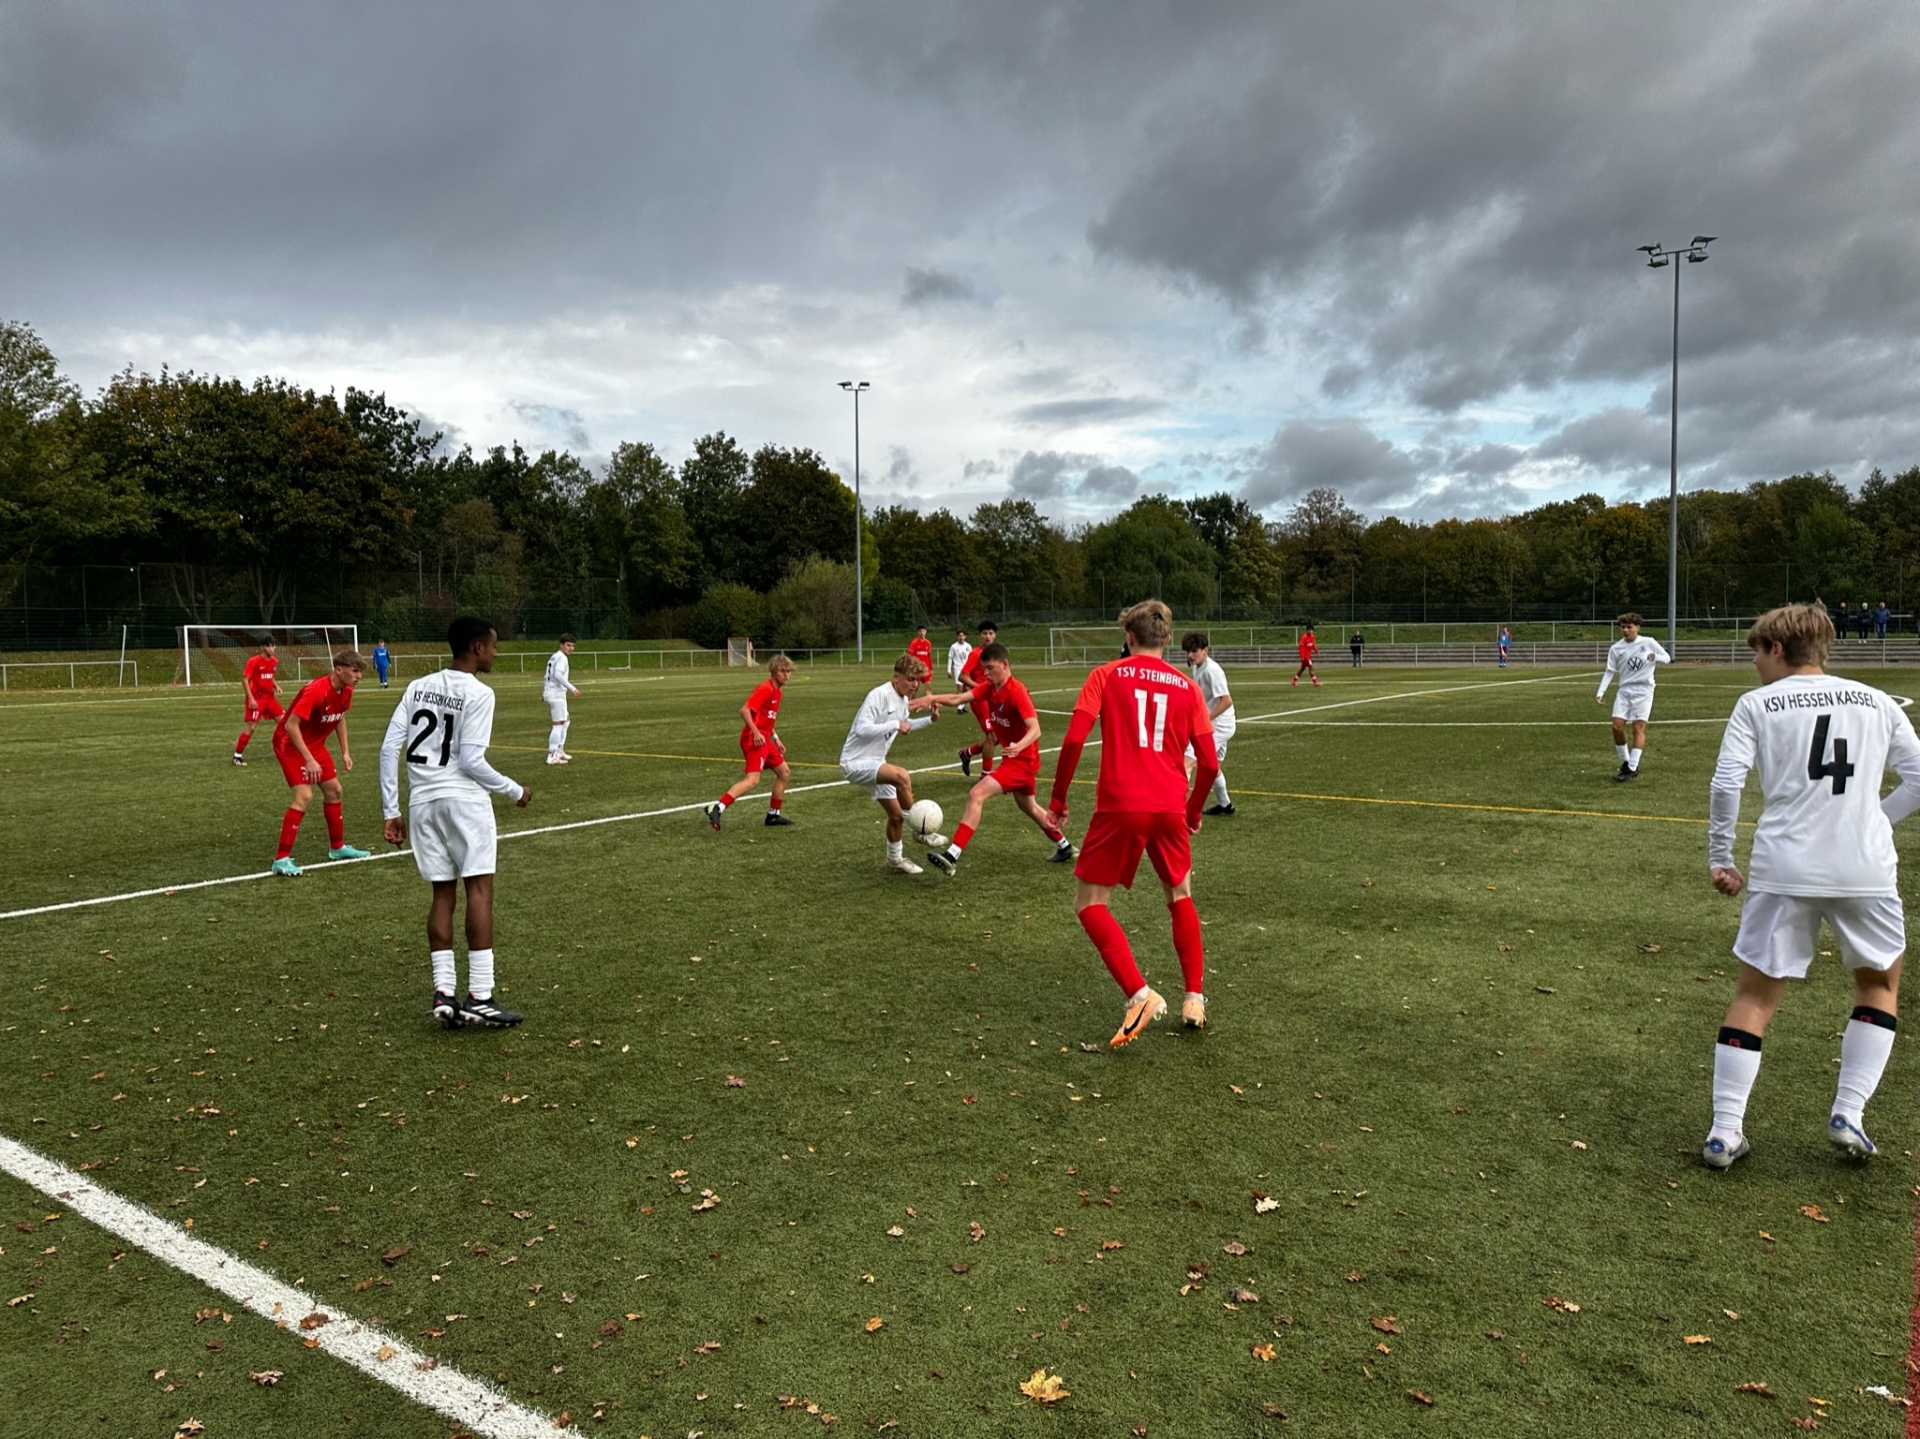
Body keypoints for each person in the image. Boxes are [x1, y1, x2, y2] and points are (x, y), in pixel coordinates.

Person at [1701, 603, 1920, 1168]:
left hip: (1784, 867)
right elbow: (1919, 779)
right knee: (1878, 986)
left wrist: (1721, 856)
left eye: (1756, 651)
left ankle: (1724, 1132)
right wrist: (1874, 821)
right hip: (1864, 869)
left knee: (1754, 996)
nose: (1754, 663)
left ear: (1776, 648)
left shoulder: (1757, 704)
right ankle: (1849, 1112)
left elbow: (1726, 782)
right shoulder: (1876, 701)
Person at [1047, 600, 1219, 1047]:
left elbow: (1074, 738)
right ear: (1167, 640)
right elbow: (1208, 762)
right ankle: (1194, 999)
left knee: (1089, 903)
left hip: (1120, 804)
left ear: (1129, 637)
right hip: (1169, 807)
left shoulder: (1105, 675)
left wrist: (1058, 798)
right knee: (1179, 895)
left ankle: (1140, 995)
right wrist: (1193, 810)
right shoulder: (1188, 687)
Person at [379, 615, 532, 1029]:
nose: (495, 653)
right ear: (477, 648)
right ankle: (480, 996)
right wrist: (515, 790)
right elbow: (471, 761)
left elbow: (390, 747)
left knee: (442, 894)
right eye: (493, 646)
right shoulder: (480, 693)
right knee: (479, 891)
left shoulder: (417, 686)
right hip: (464, 802)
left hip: (423, 804)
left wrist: (391, 809)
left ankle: (444, 992)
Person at [923, 642, 1075, 875]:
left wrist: (1018, 746)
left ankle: (952, 855)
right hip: (1017, 760)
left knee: (976, 794)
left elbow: (1035, 729)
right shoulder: (990, 688)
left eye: (990, 668)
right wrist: (930, 699)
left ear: (1005, 664)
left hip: (1022, 761)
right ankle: (1064, 846)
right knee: (1029, 806)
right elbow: (958, 699)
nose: (985, 673)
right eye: (983, 668)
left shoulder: (1016, 691)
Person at [840, 655, 944, 873]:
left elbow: (905, 725)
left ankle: (894, 859)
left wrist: (930, 720)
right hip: (855, 762)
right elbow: (861, 728)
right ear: (896, 678)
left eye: (917, 680)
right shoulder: (878, 695)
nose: (915, 685)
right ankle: (921, 831)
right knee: (901, 776)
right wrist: (895, 724)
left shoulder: (903, 700)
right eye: (910, 679)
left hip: (876, 762)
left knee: (896, 816)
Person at [269, 651, 371, 875]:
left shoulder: (347, 690)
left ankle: (338, 848)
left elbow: (339, 718)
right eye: (355, 671)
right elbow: (290, 726)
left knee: (335, 791)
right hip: (289, 743)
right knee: (304, 796)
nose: (359, 676)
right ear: (338, 670)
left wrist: (345, 752)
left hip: (314, 744)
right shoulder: (316, 691)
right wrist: (309, 759)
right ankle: (281, 859)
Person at [706, 654, 796, 829]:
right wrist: (755, 733)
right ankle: (717, 808)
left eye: (789, 671)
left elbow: (767, 718)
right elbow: (745, 710)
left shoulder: (778, 691)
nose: (786, 675)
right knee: (752, 780)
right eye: (782, 671)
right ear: (773, 672)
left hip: (765, 739)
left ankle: (773, 815)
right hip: (754, 739)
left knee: (784, 772)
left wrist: (776, 738)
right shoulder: (765, 688)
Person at [1595, 611, 1672, 781]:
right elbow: (1610, 671)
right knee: (1617, 727)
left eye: (1629, 627)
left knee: (1638, 727)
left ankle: (1632, 768)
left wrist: (1655, 657)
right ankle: (1627, 761)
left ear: (1637, 627)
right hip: (1625, 690)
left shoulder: (1648, 642)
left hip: (1644, 690)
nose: (1625, 630)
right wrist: (1601, 691)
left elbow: (1667, 657)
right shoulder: (1616, 648)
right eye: (1623, 627)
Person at [1182, 632, 1237, 816]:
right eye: (1188, 651)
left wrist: (1205, 718)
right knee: (1212, 768)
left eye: (1194, 651)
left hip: (1219, 725)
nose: (1190, 655)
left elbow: (1226, 701)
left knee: (1186, 763)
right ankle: (1225, 805)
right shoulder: (1197, 666)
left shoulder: (1212, 670)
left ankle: (1176, 809)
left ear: (1205, 650)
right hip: (1218, 723)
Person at [956, 620, 999, 775]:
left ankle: (967, 753)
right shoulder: (976, 654)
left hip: (994, 699)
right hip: (980, 700)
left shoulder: (997, 653)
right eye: (984, 633)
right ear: (980, 635)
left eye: (990, 633)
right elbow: (962, 676)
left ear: (995, 635)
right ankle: (985, 775)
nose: (987, 636)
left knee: (999, 736)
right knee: (991, 736)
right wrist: (979, 688)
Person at [233, 639, 283, 765]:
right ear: (262, 647)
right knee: (251, 727)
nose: (271, 649)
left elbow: (270, 676)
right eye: (268, 646)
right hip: (256, 698)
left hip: (269, 698)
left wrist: (276, 686)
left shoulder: (274, 661)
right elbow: (245, 680)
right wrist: (251, 699)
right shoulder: (254, 661)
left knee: (286, 723)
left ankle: (284, 749)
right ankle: (237, 756)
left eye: (273, 646)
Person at [543, 634, 580, 765]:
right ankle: (552, 755)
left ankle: (559, 750)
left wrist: (545, 692)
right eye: (568, 645)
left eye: (573, 646)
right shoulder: (561, 658)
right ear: (561, 645)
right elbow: (557, 675)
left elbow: (547, 675)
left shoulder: (555, 656)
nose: (571, 648)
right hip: (556, 695)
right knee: (558, 724)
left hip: (554, 693)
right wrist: (572, 688)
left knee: (566, 721)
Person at [908, 626, 935, 694]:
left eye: (923, 631)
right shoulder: (914, 642)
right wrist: (912, 667)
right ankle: (913, 701)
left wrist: (931, 669)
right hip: (917, 669)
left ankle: (929, 700)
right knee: (915, 688)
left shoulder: (928, 643)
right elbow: (910, 656)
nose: (922, 633)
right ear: (918, 632)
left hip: (926, 669)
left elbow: (929, 656)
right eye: (920, 631)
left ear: (925, 632)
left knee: (928, 687)